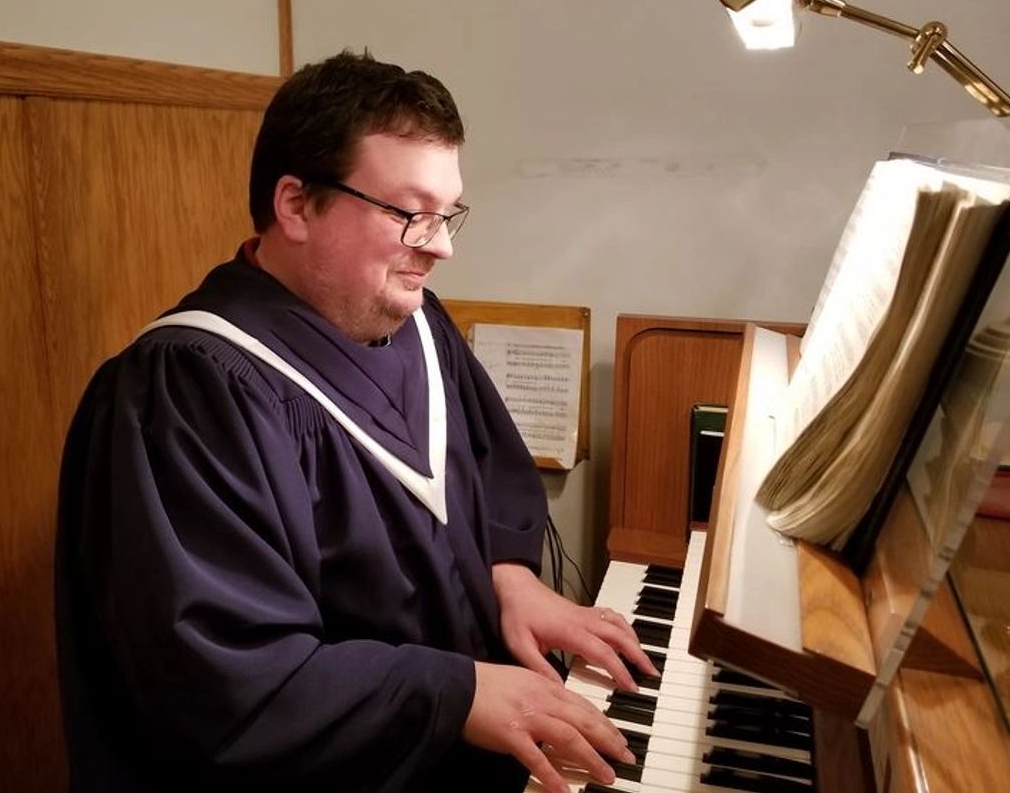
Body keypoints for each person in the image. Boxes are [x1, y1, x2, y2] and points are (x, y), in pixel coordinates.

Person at [55, 49, 656, 793]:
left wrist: (510, 580)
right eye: (411, 214)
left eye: (446, 212)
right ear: (296, 205)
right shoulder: (185, 390)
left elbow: (485, 479)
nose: (440, 246)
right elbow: (223, 677)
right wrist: (458, 692)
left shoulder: (415, 322)